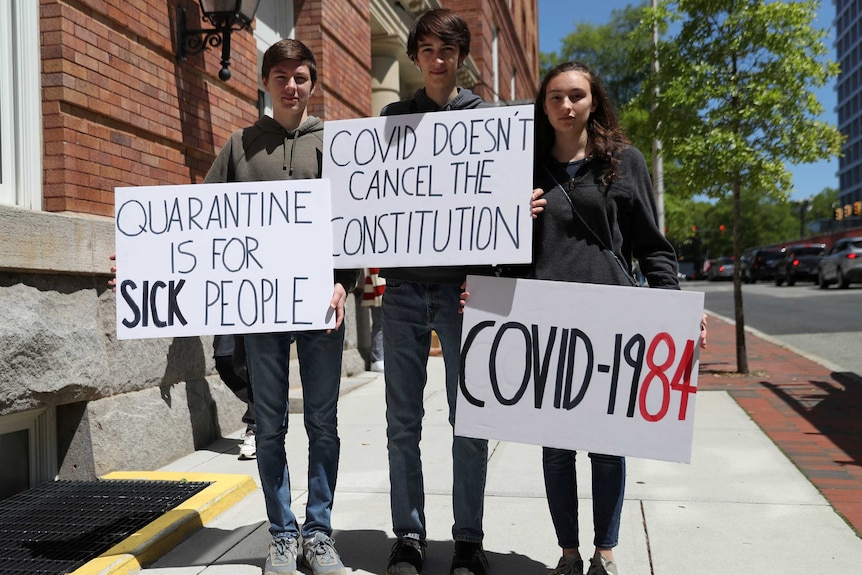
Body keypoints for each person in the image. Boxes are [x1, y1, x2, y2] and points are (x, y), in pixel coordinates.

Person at [202, 39, 358, 575]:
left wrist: (346, 281)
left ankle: (319, 533)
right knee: (269, 425)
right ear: (266, 82)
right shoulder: (239, 146)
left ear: (313, 83)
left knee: (322, 422)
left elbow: (358, 224)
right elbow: (200, 222)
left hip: (322, 306)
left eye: (301, 77)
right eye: (282, 77)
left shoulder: (339, 145)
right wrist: (141, 262)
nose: (292, 86)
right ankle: (282, 535)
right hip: (260, 310)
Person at [530, 61, 686, 575]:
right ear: (544, 105)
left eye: (576, 95)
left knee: (606, 447)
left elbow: (650, 244)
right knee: (557, 449)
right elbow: (505, 252)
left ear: (594, 100)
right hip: (545, 322)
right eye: (556, 97)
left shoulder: (624, 162)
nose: (566, 106)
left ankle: (606, 553)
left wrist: (674, 306)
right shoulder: (524, 167)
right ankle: (569, 554)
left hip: (611, 321)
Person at [377, 9, 494, 575]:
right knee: (403, 423)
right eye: (426, 49)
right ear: (415, 56)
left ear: (460, 55)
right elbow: (370, 198)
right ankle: (409, 537)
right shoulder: (394, 119)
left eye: (446, 49)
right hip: (401, 290)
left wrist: (508, 216)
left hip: (466, 295)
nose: (437, 59)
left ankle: (468, 540)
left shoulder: (486, 121)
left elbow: (500, 198)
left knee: (469, 422)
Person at [212, 334, 257, 460]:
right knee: (225, 359)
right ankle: (266, 401)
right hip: (227, 315)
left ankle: (255, 427)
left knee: (255, 360)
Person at [361, 268, 385, 372]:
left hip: (382, 284)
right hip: (378, 285)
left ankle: (380, 357)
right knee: (380, 324)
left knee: (382, 324)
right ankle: (377, 358)